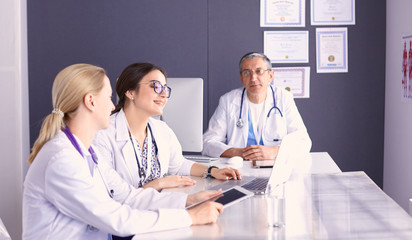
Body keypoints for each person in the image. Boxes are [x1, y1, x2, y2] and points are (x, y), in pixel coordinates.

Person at [23, 64, 224, 240]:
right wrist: (190, 217)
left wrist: (189, 200)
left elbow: (128, 197)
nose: (112, 105)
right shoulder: (62, 159)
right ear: (91, 101)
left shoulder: (87, 152)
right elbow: (117, 219)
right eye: (109, 97)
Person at [93, 63, 242, 191]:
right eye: (156, 86)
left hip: (157, 207)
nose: (164, 94)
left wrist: (213, 171)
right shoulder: (102, 134)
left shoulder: (161, 129)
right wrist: (160, 183)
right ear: (130, 92)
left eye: (165, 88)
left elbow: (178, 164)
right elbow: (109, 194)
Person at [202, 52, 311, 160]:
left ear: (270, 75)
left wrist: (274, 151)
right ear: (241, 77)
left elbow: (303, 141)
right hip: (238, 168)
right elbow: (208, 143)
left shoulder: (284, 98)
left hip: (276, 166)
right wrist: (238, 152)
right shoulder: (228, 100)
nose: (253, 78)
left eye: (259, 71)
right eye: (246, 73)